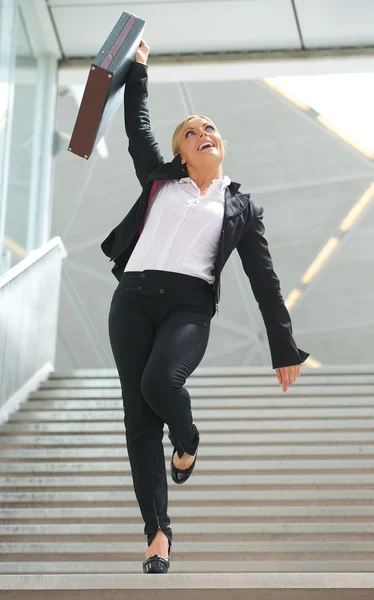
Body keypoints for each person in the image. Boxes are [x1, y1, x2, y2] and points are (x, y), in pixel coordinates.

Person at [101, 39, 310, 574]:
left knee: (159, 384)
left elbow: (263, 279)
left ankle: (188, 441)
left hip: (187, 307)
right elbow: (137, 126)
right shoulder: (160, 181)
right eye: (190, 132)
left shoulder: (239, 205)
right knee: (138, 419)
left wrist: (283, 346)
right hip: (132, 300)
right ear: (180, 152)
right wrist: (139, 68)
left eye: (208, 127)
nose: (202, 134)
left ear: (221, 143)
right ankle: (158, 532)